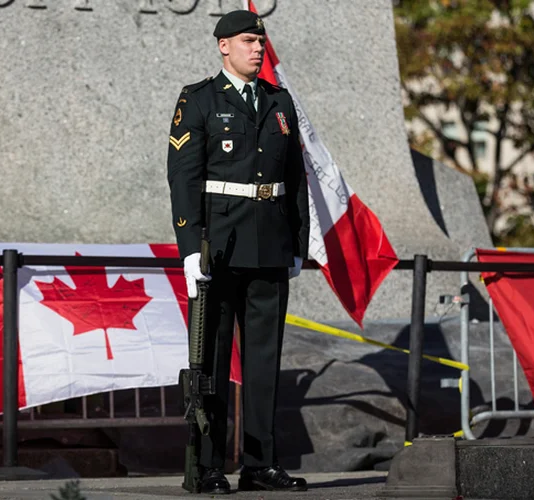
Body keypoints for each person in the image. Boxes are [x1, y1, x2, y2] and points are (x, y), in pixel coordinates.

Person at [166, 9, 310, 495]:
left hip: (269, 243)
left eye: (260, 41)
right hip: (218, 247)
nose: (257, 49)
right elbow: (183, 178)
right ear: (223, 45)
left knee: (265, 362)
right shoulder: (199, 100)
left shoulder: (279, 101)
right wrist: (189, 249)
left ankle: (260, 463)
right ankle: (207, 466)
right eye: (248, 40)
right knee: (210, 359)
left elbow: (294, 179)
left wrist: (298, 242)